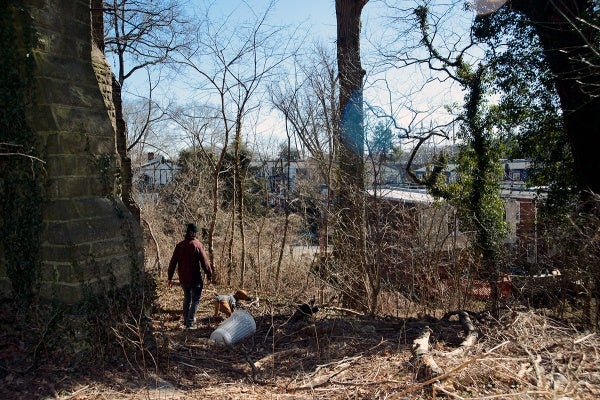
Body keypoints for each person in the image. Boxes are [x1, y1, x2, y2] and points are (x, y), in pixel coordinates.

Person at [168, 223, 213, 329]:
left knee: (187, 298)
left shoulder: (179, 246)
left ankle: (185, 321)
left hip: (183, 278)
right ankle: (190, 322)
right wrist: (209, 275)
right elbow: (205, 263)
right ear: (195, 233)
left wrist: (169, 277)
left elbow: (172, 262)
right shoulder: (197, 245)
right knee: (195, 300)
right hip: (195, 278)